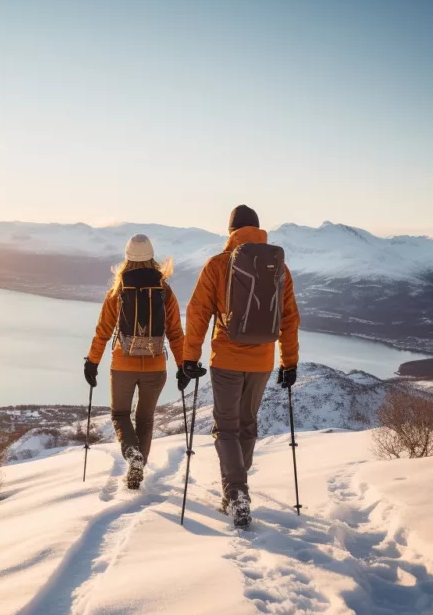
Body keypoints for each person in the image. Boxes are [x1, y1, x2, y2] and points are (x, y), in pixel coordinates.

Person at [181, 205, 300, 528]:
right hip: (263, 360)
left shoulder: (219, 264)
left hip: (227, 359)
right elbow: (289, 319)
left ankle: (236, 493)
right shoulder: (279, 268)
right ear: (259, 230)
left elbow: (197, 313)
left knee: (226, 428)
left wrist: (189, 358)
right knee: (247, 424)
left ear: (231, 231)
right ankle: (237, 490)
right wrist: (289, 362)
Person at [85, 234, 187, 490]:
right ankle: (138, 466)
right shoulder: (164, 289)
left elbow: (103, 330)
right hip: (155, 366)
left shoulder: (118, 290)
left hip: (123, 364)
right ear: (152, 257)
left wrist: (92, 362)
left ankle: (133, 456)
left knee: (120, 414)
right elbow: (175, 332)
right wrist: (183, 365)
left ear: (127, 258)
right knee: (145, 419)